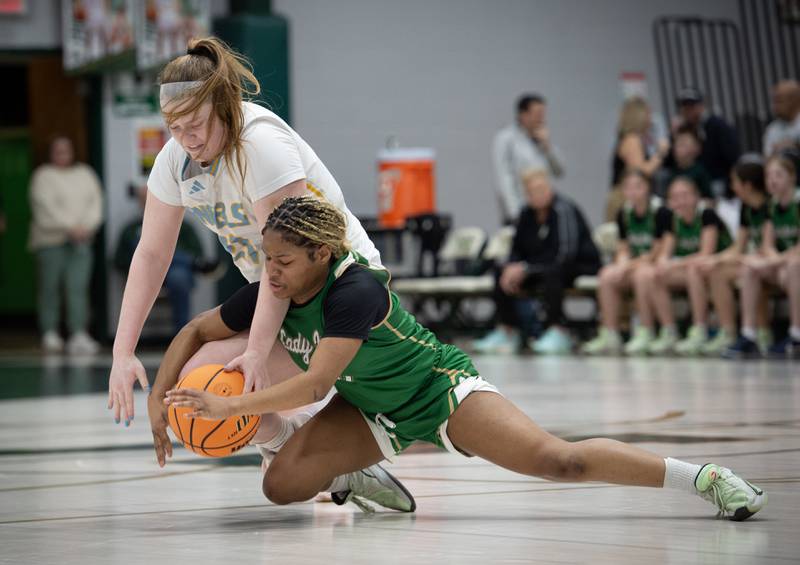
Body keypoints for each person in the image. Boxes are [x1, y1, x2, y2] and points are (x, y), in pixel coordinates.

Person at [165, 195, 766, 521]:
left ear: (322, 254)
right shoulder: (273, 289)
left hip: (438, 391)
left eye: (283, 261)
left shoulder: (356, 289)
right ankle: (356, 471)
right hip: (369, 408)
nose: (270, 272)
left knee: (559, 462)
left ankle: (704, 480)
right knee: (281, 487)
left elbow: (316, 379)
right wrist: (157, 404)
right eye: (266, 259)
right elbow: (195, 328)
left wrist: (230, 403)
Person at [110, 37, 413, 508]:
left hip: (334, 286)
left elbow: (285, 258)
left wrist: (255, 350)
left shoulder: (262, 145)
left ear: (225, 105)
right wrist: (122, 350)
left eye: (196, 125)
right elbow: (151, 253)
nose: (186, 138)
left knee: (232, 384)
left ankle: (325, 455)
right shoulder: (175, 161)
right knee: (199, 391)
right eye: (174, 127)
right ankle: (323, 462)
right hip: (276, 290)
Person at [473, 169, 600, 355]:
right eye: (533, 191)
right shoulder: (526, 214)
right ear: (527, 194)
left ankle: (558, 330)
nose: (539, 194)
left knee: (553, 273)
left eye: (543, 188)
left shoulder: (563, 209)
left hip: (578, 265)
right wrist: (513, 267)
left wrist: (526, 269)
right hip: (540, 267)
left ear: (550, 188)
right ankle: (509, 330)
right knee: (501, 272)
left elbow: (565, 255)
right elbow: (517, 249)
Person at [636, 177, 732, 355]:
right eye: (675, 197)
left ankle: (700, 330)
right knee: (653, 274)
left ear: (696, 196)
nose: (680, 200)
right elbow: (667, 250)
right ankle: (668, 331)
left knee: (693, 270)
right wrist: (663, 262)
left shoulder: (707, 215)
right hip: (693, 267)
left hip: (719, 266)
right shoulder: (673, 219)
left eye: (685, 195)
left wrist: (674, 263)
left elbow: (706, 253)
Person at [28, 135, 103, 355]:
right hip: (51, 241)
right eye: (57, 151)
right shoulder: (42, 176)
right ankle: (49, 332)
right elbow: (45, 207)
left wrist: (87, 226)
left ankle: (78, 332)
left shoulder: (85, 173)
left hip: (82, 241)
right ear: (51, 153)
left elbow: (96, 202)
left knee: (78, 288)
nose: (62, 155)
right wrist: (70, 227)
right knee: (50, 288)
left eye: (66, 150)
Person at [581, 170, 669, 355]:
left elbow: (657, 251)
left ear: (648, 188)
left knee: (642, 275)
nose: (633, 191)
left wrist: (627, 266)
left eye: (638, 186)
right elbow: (623, 247)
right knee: (606, 275)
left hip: (654, 264)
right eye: (628, 187)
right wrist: (621, 263)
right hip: (635, 263)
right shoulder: (624, 212)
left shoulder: (660, 210)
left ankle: (647, 330)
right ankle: (610, 332)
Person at [692, 156, 772, 355]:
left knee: (750, 270)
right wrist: (714, 259)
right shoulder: (746, 207)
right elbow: (739, 246)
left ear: (748, 185)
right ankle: (729, 332)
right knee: (716, 271)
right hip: (752, 258)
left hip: (771, 260)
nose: (732, 186)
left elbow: (766, 248)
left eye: (735, 182)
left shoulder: (770, 206)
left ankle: (762, 333)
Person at [725, 155, 800, 358]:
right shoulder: (771, 206)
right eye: (769, 176)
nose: (773, 180)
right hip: (784, 265)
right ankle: (749, 335)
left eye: (778, 175)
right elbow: (768, 245)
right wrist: (771, 260)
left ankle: (796, 335)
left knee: (794, 266)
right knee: (750, 266)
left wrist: (775, 260)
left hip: (793, 265)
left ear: (792, 177)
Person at [114, 185, 208, 334]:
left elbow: (198, 251)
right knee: (143, 247)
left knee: (179, 277)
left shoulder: (184, 226)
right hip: (145, 273)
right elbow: (119, 260)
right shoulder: (131, 229)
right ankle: (190, 263)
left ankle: (181, 334)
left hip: (175, 273)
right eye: (145, 200)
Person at [493, 94, 566, 223]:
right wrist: (515, 212)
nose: (541, 118)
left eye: (543, 114)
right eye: (537, 114)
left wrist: (547, 147)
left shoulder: (542, 140)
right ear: (523, 115)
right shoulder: (507, 138)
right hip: (520, 209)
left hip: (543, 208)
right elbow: (504, 176)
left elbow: (559, 172)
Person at [607, 97, 670, 221]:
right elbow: (641, 172)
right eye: (648, 114)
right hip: (625, 198)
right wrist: (661, 152)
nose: (650, 119)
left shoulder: (632, 138)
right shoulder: (632, 139)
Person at [670, 87, 740, 198]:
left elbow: (733, 156)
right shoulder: (682, 129)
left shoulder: (717, 125)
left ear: (701, 106)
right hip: (693, 177)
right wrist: (673, 136)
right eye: (684, 107)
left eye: (692, 106)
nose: (688, 111)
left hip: (717, 178)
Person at [665, 125, 714, 202]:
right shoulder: (672, 172)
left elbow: (709, 199)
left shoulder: (700, 172)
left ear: (696, 148)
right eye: (676, 144)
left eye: (683, 144)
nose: (677, 147)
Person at [763, 80, 800, 157]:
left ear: (795, 100)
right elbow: (768, 160)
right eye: (774, 102)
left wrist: (796, 146)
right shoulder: (772, 129)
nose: (774, 107)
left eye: (779, 101)